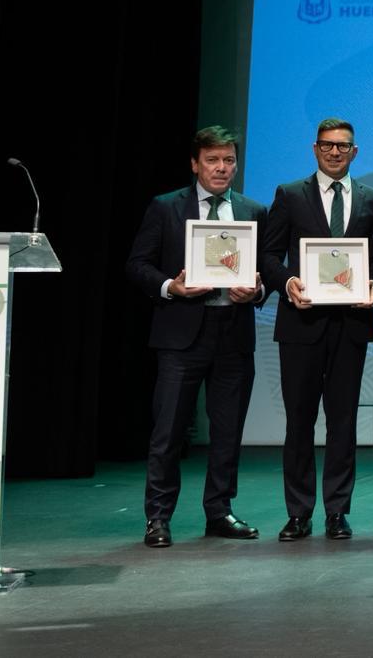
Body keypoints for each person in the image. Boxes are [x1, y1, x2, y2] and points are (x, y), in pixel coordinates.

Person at [125, 125, 267, 548]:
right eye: (212, 160)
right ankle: (158, 518)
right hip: (181, 334)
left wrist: (257, 290)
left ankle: (219, 512)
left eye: (229, 161)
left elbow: (264, 271)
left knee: (227, 432)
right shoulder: (166, 207)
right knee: (168, 432)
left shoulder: (252, 211)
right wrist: (171, 286)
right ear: (195, 164)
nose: (221, 168)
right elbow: (138, 264)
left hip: (233, 333)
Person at [259, 117, 373, 541]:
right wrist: (287, 283)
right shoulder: (290, 194)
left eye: (343, 146)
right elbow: (268, 256)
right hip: (301, 322)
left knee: (343, 421)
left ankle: (337, 511)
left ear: (355, 152)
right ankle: (298, 512)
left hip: (351, 325)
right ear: (315, 149)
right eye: (327, 145)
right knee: (299, 420)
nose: (335, 152)